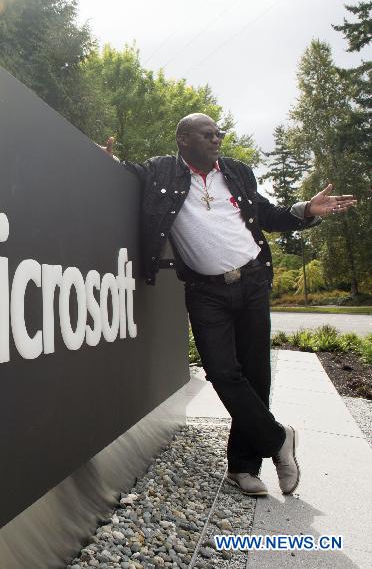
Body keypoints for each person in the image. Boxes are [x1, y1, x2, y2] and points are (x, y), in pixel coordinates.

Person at [103, 113, 356, 496]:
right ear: (184, 138)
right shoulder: (162, 172)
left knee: (255, 375)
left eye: (219, 133)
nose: (217, 139)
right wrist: (102, 160)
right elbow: (126, 173)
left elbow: (267, 214)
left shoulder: (236, 172)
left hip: (252, 281)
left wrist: (304, 210)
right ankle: (278, 439)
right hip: (206, 292)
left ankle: (243, 467)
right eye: (208, 134)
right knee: (221, 372)